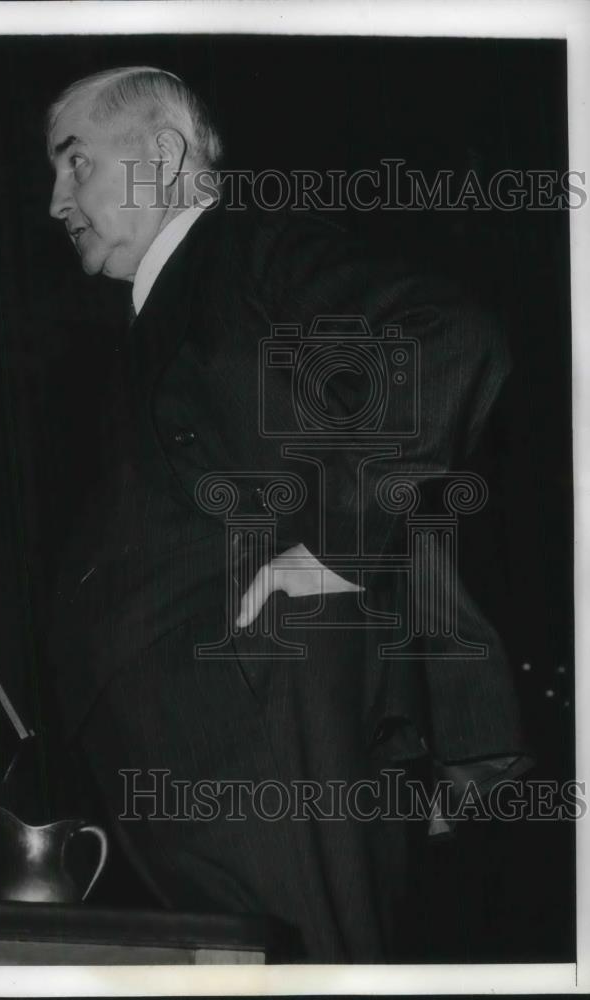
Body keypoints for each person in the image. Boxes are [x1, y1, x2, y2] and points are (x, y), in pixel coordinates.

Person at [46, 66, 531, 962]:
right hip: (188, 767)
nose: (54, 200)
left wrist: (343, 545)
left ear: (163, 154)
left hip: (265, 734)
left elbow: (448, 336)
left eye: (74, 164)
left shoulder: (248, 247)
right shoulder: (158, 311)